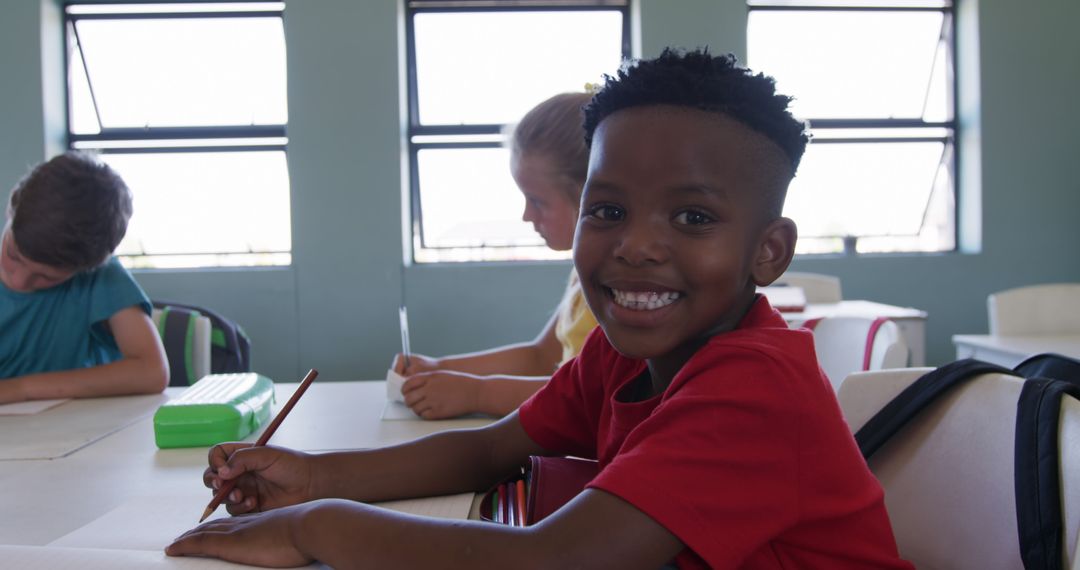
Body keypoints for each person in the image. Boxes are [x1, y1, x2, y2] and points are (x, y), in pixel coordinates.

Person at [166, 48, 912, 569]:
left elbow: (556, 559)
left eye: (691, 219)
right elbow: (491, 449)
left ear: (768, 253)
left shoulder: (754, 386)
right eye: (608, 210)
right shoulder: (622, 353)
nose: (636, 248)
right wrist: (316, 476)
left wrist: (314, 526)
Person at [393, 92, 599, 420]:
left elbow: (583, 399)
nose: (527, 216)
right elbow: (540, 357)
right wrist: (439, 367)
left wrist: (476, 392)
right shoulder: (584, 272)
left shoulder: (616, 291)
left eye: (537, 201)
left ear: (589, 195)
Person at [0, 151, 169, 404]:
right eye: (13, 256)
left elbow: (152, 371)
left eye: (46, 277)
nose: (20, 281)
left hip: (79, 432)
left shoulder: (100, 275)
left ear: (86, 268)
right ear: (10, 209)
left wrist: (20, 388)